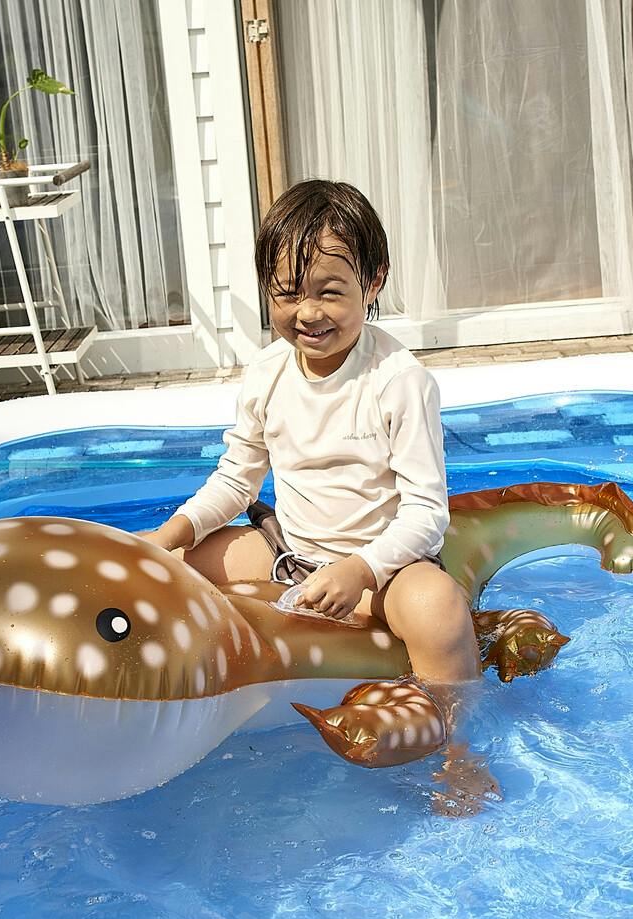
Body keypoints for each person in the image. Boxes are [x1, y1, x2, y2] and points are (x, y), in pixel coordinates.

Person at [142, 179, 480, 689]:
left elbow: (426, 513)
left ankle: (456, 729)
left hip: (385, 571)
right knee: (174, 565)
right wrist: (166, 536)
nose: (308, 312)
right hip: (288, 553)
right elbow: (235, 481)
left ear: (373, 282)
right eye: (287, 293)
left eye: (329, 292)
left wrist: (360, 570)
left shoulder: (398, 380)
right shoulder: (267, 373)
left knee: (439, 611)